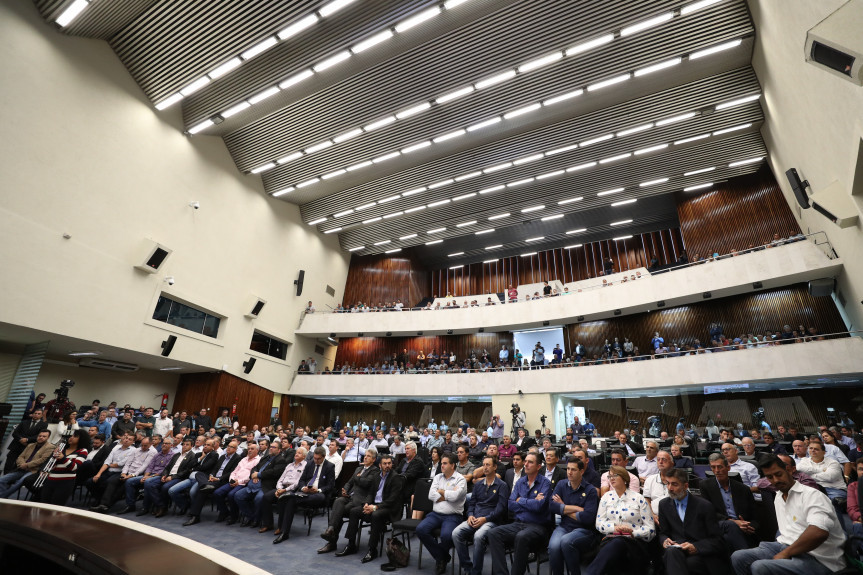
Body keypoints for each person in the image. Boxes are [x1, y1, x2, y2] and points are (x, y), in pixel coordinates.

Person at [731, 455, 846, 575]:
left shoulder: (812, 495)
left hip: (820, 558)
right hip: (786, 545)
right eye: (770, 477)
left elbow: (819, 532)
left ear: (789, 470)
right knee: (738, 557)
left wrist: (786, 553)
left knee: (760, 567)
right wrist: (786, 551)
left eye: (778, 474)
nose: (775, 480)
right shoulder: (779, 497)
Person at [488, 452, 552, 575]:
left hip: (538, 526)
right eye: (526, 461)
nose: (526, 464)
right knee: (493, 533)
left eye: (530, 462)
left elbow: (539, 507)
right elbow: (510, 504)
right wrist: (531, 502)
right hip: (518, 523)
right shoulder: (520, 482)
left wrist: (520, 500)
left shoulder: (545, 483)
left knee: (521, 537)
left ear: (539, 466)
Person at [585, 466, 655, 575]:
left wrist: (632, 533)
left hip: (635, 542)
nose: (611, 478)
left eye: (615, 475)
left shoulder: (638, 498)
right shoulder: (606, 498)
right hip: (611, 538)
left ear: (624, 478)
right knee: (616, 544)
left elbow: (651, 529)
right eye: (609, 476)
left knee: (619, 542)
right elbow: (599, 523)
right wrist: (615, 528)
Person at [658, 468, 728, 575]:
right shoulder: (663, 505)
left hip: (699, 553)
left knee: (686, 562)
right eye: (667, 483)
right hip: (676, 550)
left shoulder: (704, 506)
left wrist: (696, 547)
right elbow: (663, 533)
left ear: (686, 486)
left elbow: (717, 541)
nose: (670, 488)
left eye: (674, 484)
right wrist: (665, 540)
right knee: (672, 552)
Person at [452, 455, 508, 575]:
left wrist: (485, 519)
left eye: (488, 465)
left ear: (495, 467)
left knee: (478, 536)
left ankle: (476, 572)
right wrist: (470, 515)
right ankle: (468, 567)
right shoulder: (478, 485)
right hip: (475, 518)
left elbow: (501, 509)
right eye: (484, 465)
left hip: (491, 521)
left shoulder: (502, 485)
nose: (485, 467)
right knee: (456, 533)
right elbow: (472, 503)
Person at [347, 454, 405, 563]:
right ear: (380, 465)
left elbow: (392, 500)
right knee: (354, 511)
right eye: (385, 464)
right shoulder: (377, 476)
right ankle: (351, 544)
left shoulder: (395, 477)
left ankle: (372, 549)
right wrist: (367, 503)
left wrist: (375, 507)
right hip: (374, 505)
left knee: (375, 515)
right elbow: (370, 493)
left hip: (389, 508)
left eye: (389, 463)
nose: (387, 466)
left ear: (392, 464)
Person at [322, 448, 379, 555]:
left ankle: (333, 541)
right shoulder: (359, 468)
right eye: (365, 455)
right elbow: (349, 482)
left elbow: (365, 483)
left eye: (368, 456)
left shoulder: (375, 471)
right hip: (350, 497)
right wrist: (345, 489)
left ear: (374, 459)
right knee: (338, 501)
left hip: (360, 500)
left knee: (340, 511)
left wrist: (358, 477)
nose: (365, 457)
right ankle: (330, 529)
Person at [273, 446, 335, 543]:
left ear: (324, 456)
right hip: (305, 492)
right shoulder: (310, 464)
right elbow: (301, 480)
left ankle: (293, 496)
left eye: (318, 459)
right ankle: (284, 533)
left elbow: (330, 486)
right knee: (291, 500)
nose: (316, 461)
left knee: (292, 497)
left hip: (319, 494)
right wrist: (303, 488)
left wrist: (318, 490)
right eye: (315, 458)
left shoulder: (330, 466)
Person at [548, 457, 599, 575]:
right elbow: (551, 506)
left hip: (584, 529)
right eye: (568, 469)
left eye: (573, 470)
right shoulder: (561, 484)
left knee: (566, 541)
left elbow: (588, 518)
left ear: (581, 471)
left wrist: (563, 507)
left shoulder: (590, 490)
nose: (569, 472)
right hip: (564, 526)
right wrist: (576, 508)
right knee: (553, 547)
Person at [701, 454, 758, 552]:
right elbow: (709, 512)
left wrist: (749, 526)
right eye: (713, 467)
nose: (717, 470)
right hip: (720, 525)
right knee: (730, 527)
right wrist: (734, 522)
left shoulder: (743, 489)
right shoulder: (705, 486)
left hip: (743, 528)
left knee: (728, 540)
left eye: (720, 467)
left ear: (728, 468)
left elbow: (755, 516)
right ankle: (744, 556)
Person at [38, 428, 90, 505]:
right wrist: (53, 456)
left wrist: (63, 458)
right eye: (71, 436)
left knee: (56, 506)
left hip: (65, 482)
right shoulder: (62, 449)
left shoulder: (82, 451)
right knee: (44, 504)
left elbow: (74, 467)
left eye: (75, 436)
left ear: (81, 439)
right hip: (51, 479)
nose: (71, 437)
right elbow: (51, 465)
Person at [0, 430, 53, 499]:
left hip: (33, 471)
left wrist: (27, 465)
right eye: (40, 436)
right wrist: (22, 464)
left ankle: (2, 497)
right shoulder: (30, 445)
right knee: (2, 479)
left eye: (44, 436)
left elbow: (42, 460)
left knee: (19, 483)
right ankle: (3, 494)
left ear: (48, 438)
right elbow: (20, 457)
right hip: (21, 469)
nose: (41, 437)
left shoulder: (50, 447)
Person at [4, 408, 48, 474]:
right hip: (16, 445)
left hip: (28, 447)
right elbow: (15, 433)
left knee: (18, 466)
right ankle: (3, 479)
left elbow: (39, 436)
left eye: (38, 414)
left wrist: (27, 440)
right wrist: (21, 439)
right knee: (8, 463)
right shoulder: (24, 422)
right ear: (32, 414)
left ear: (41, 415)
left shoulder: (43, 425)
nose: (36, 415)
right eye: (35, 413)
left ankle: (11, 481)